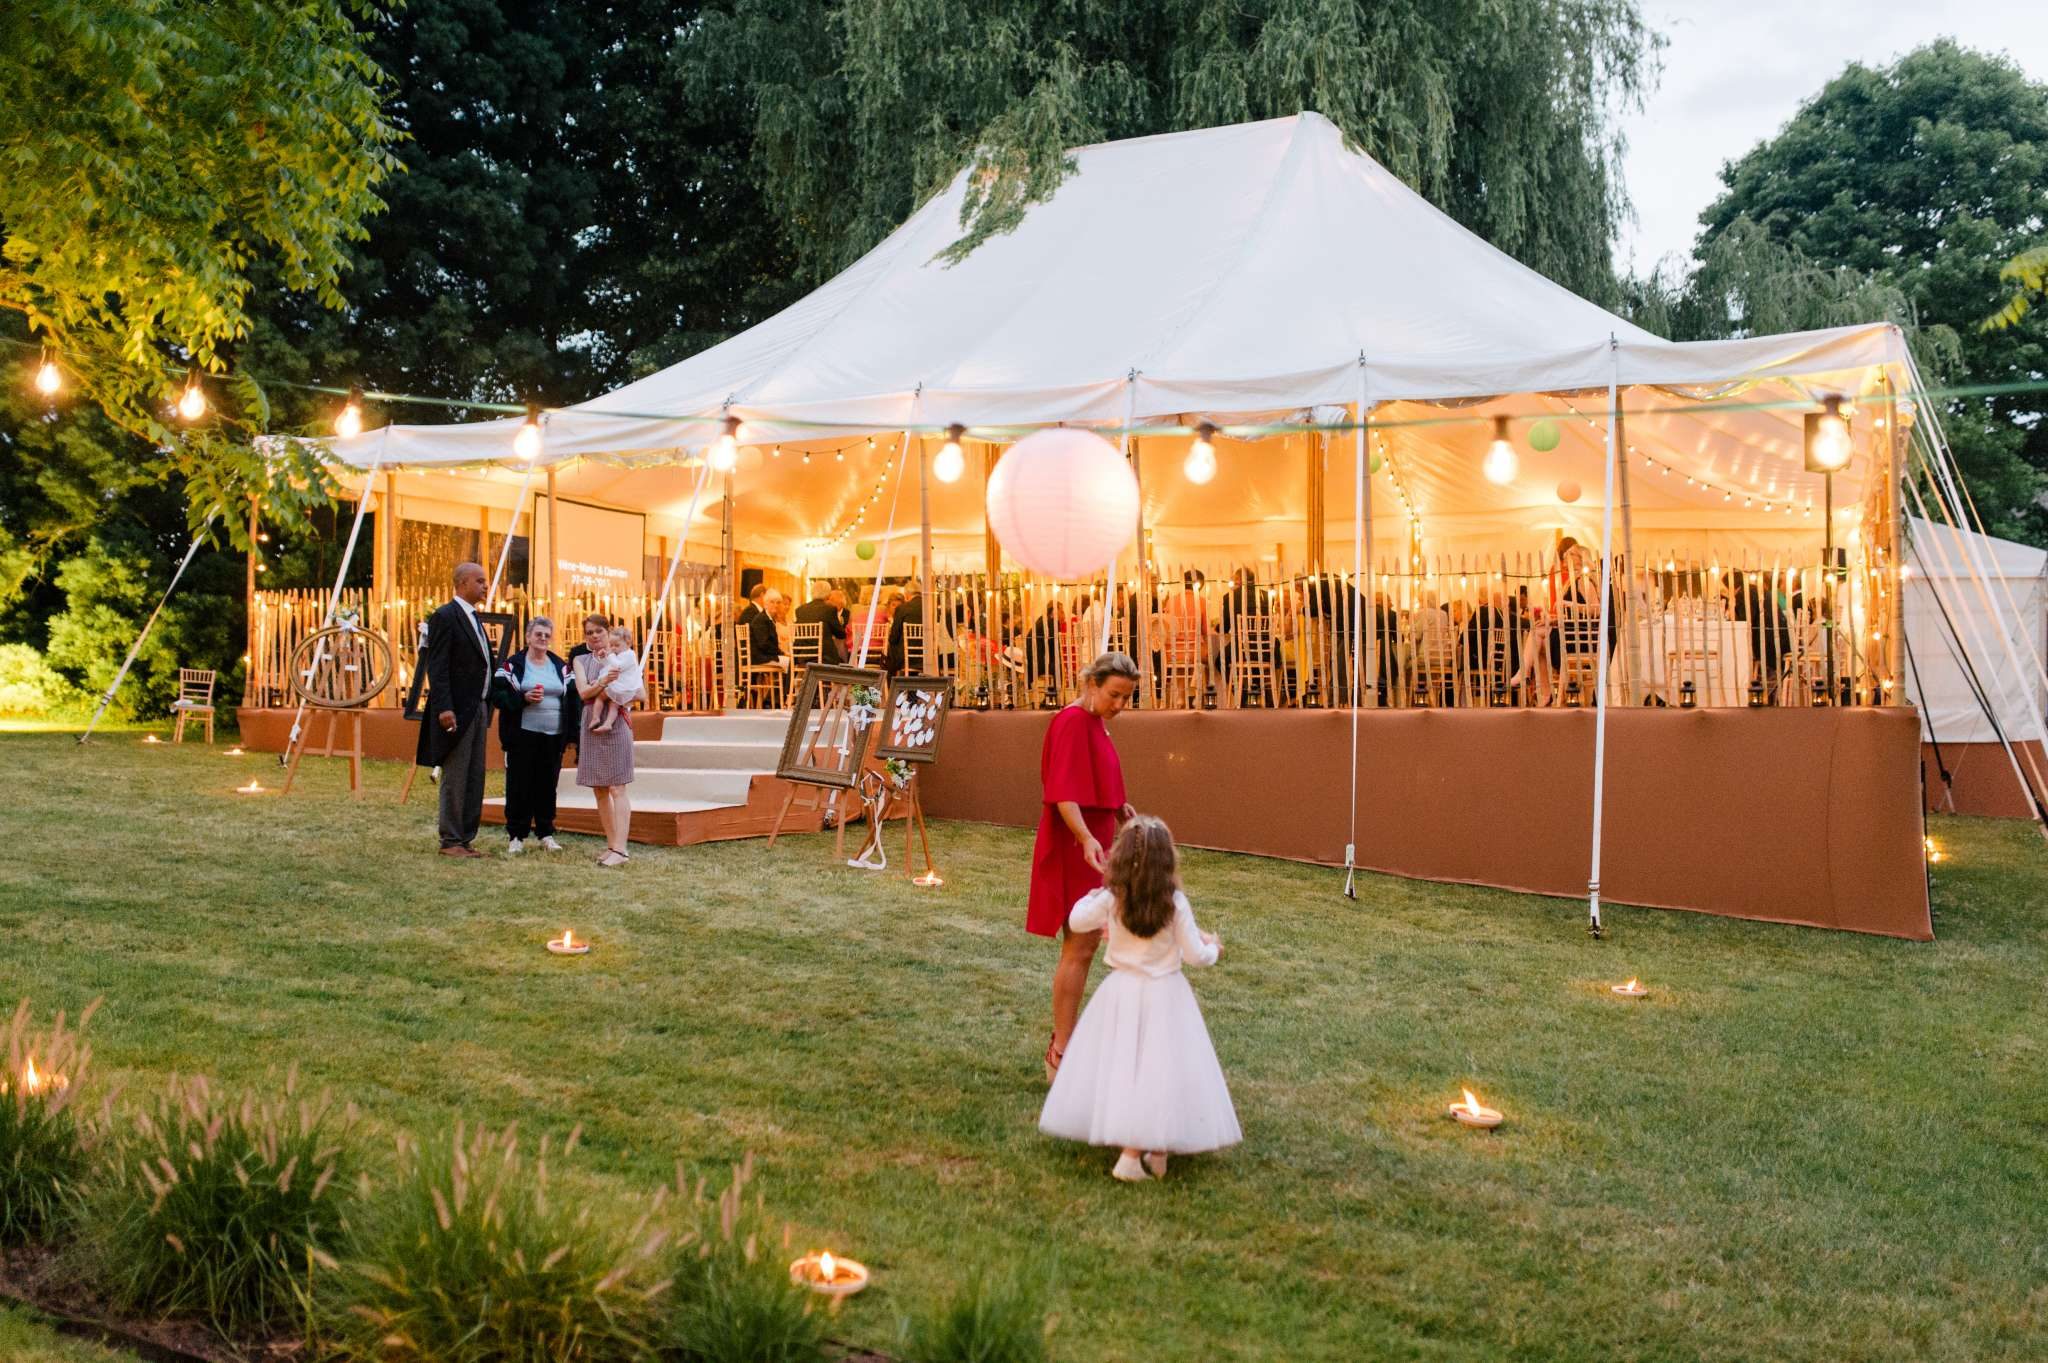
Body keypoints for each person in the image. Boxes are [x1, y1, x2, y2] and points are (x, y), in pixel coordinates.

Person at [1038, 815, 1239, 1181]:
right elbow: (1194, 954)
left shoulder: (1113, 900)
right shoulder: (1174, 903)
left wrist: (1099, 895)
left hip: (1121, 992)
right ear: (1168, 862)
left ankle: (1156, 1151)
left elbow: (1078, 920)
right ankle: (1131, 1157)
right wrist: (1214, 949)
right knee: (1159, 1070)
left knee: (1128, 1067)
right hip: (1165, 995)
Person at [1030, 652, 1139, 1084]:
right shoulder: (1073, 720)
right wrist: (1086, 838)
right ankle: (1061, 1049)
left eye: (1127, 698)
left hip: (1094, 841)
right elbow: (1063, 793)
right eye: (1114, 695)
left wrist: (1118, 811)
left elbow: (1096, 780)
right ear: (1091, 684)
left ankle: (1066, 1045)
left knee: (1086, 947)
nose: (1119, 705)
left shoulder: (1095, 721)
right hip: (1078, 846)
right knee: (1079, 946)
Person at [418, 561, 496, 858]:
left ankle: (465, 837)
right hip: (457, 709)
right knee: (457, 773)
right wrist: (444, 707)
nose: (485, 586)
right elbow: (437, 667)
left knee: (475, 774)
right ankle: (450, 840)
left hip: (478, 706)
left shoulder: (475, 619)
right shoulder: (445, 616)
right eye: (480, 581)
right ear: (462, 584)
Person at [491, 617, 579, 854]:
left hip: (553, 735)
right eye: (538, 634)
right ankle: (516, 836)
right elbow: (496, 695)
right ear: (528, 637)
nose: (542, 639)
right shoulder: (512, 666)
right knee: (519, 784)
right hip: (521, 735)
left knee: (547, 785)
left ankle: (546, 833)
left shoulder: (560, 666)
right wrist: (522, 698)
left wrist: (572, 734)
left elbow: (573, 699)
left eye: (546, 635)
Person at [571, 613, 639, 866]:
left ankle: (621, 849)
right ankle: (611, 844)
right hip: (591, 719)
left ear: (607, 632)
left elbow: (640, 692)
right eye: (589, 632)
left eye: (599, 631)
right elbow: (583, 692)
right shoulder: (580, 660)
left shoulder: (624, 658)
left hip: (617, 720)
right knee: (599, 788)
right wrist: (603, 682)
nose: (595, 636)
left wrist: (616, 691)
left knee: (617, 787)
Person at [586, 624, 641, 733]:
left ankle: (595, 717)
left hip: (622, 686)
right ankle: (608, 724)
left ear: (628, 643)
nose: (613, 648)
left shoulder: (629, 655)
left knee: (600, 697)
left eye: (617, 645)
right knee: (613, 705)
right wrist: (603, 657)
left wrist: (610, 655)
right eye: (611, 645)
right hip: (622, 687)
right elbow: (608, 666)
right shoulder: (620, 653)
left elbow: (617, 667)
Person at [794, 582, 849, 664]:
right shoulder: (829, 609)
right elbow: (840, 634)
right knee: (842, 662)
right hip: (824, 656)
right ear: (828, 595)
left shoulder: (800, 610)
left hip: (803, 655)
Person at [885, 585, 926, 673]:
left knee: (891, 649)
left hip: (907, 657)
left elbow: (893, 638)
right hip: (928, 655)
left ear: (907, 595)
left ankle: (890, 682)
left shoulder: (902, 608)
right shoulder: (931, 607)